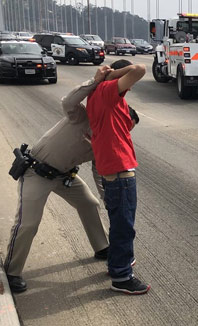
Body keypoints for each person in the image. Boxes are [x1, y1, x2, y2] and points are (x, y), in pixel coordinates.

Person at [4, 67, 113, 293]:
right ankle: (12, 271)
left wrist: (109, 199)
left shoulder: (105, 138)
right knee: (28, 223)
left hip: (64, 176)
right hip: (36, 172)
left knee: (90, 203)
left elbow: (99, 172)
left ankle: (102, 247)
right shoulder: (82, 116)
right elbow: (68, 101)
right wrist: (94, 81)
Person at [86, 59, 150, 295]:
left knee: (120, 223)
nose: (129, 87)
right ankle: (121, 276)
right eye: (126, 84)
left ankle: (118, 262)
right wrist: (110, 74)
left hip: (113, 170)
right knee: (124, 226)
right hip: (119, 172)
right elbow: (140, 69)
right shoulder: (106, 92)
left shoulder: (101, 96)